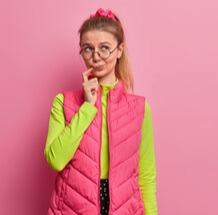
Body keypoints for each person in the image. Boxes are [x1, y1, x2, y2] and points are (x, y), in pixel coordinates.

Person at [44, 8, 158, 215]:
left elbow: (146, 176)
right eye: (88, 49)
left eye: (104, 48)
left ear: (119, 50)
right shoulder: (62, 102)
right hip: (72, 208)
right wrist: (87, 107)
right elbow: (56, 159)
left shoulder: (140, 109)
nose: (96, 57)